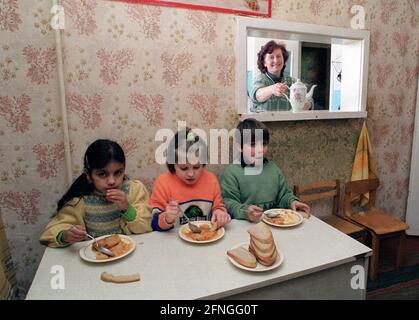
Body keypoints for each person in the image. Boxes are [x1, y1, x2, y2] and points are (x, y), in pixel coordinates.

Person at [40, 139, 152, 247]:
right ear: (88, 175)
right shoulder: (81, 200)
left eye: (118, 172)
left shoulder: (134, 190)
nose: (112, 181)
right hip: (96, 257)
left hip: (131, 253)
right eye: (102, 174)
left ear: (124, 169)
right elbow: (51, 233)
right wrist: (65, 236)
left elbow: (147, 226)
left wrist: (127, 209)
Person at [220, 118, 310, 222]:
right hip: (246, 225)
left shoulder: (273, 169)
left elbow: (284, 194)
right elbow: (229, 203)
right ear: (239, 146)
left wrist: (292, 202)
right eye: (253, 145)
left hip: (276, 223)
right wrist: (246, 211)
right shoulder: (232, 173)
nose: (260, 150)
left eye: (264, 144)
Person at [150, 128, 231, 231]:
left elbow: (219, 206)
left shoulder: (211, 180)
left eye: (196, 167)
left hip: (206, 239)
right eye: (183, 168)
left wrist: (220, 213)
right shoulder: (163, 183)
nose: (191, 174)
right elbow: (153, 223)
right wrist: (167, 218)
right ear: (172, 164)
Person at [251, 40, 293, 112]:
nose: (276, 60)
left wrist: (306, 104)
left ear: (284, 60)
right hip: (263, 123)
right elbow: (257, 95)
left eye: (279, 56)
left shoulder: (292, 81)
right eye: (271, 57)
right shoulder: (260, 79)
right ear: (264, 62)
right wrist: (273, 89)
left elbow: (307, 101)